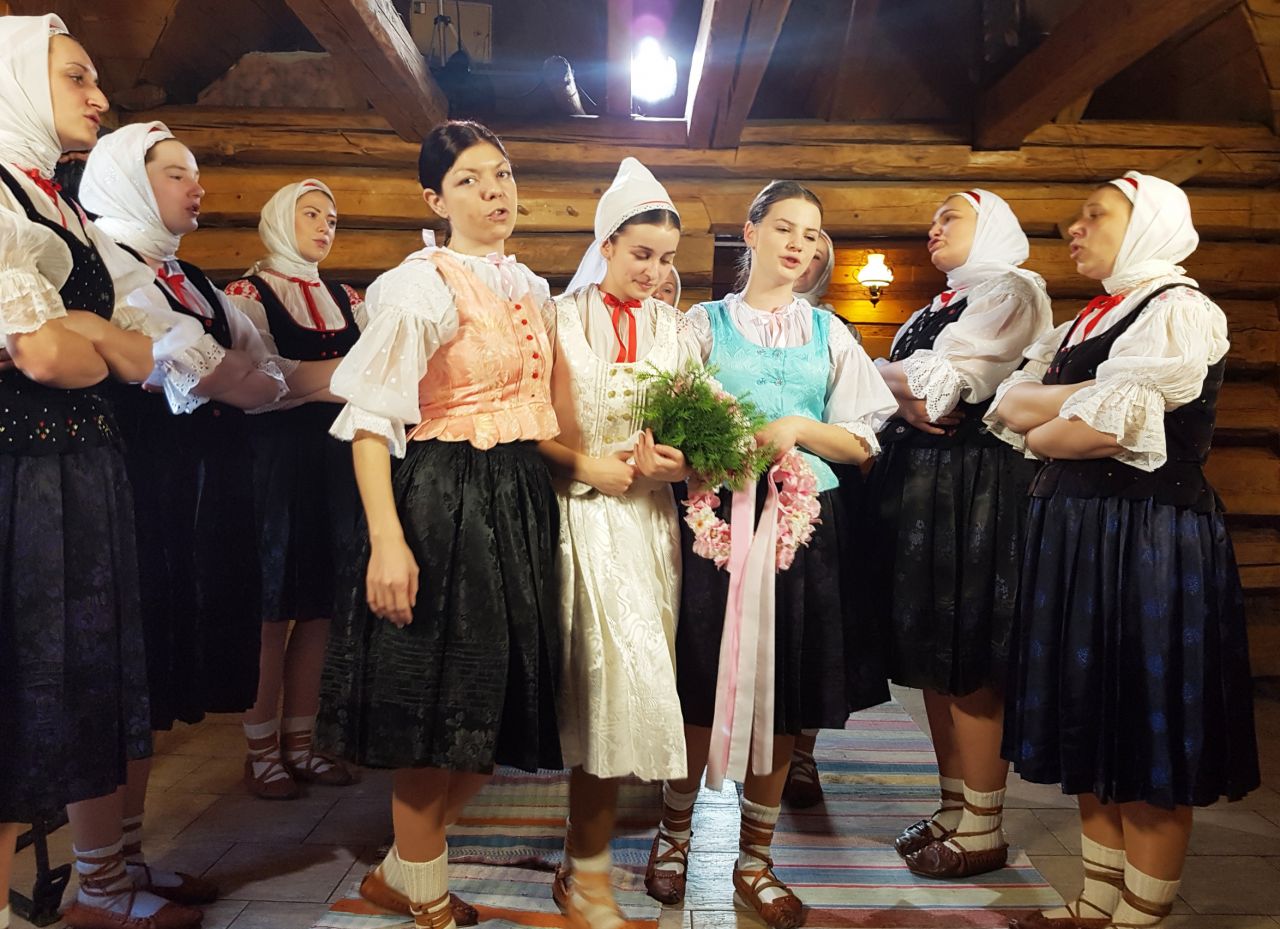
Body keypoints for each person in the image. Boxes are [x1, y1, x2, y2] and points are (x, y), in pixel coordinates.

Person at [0, 16, 230, 929]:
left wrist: (90, 335)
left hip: (82, 467)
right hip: (20, 471)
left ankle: (101, 880)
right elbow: (45, 354)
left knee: (85, 686)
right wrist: (93, 339)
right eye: (76, 77)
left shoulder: (57, 210)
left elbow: (138, 357)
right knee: (21, 708)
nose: (98, 96)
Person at [987, 172, 1259, 929]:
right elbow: (1012, 404)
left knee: (1143, 726)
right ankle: (1095, 902)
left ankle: (1139, 915)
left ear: (1147, 225)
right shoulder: (1089, 320)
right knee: (1091, 712)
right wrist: (1062, 416)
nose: (1074, 228)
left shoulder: (1179, 309)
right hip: (1078, 535)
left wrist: (1051, 421)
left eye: (1095, 214)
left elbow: (1091, 432)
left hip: (1147, 539)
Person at [316, 120, 562, 929]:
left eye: (502, 174)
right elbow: (369, 422)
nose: (494, 191)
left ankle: (400, 870)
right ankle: (424, 894)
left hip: (516, 495)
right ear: (435, 199)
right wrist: (387, 541)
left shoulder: (530, 287)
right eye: (469, 180)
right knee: (435, 709)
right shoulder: (419, 285)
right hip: (441, 501)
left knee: (489, 714)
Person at [645, 181, 897, 929]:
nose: (799, 244)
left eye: (811, 234)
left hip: (805, 530)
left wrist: (796, 427)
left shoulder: (830, 333)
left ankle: (754, 859)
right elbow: (664, 417)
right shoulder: (702, 326)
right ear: (750, 232)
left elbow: (862, 442)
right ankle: (673, 834)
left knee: (784, 690)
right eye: (784, 227)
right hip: (717, 528)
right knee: (701, 676)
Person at [78, 119, 291, 906]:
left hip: (187, 491)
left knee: (153, 685)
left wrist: (247, 375)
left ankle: (128, 859)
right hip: (130, 487)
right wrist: (246, 376)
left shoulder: (190, 278)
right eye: (176, 173)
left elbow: (263, 373)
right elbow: (217, 374)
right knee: (122, 680)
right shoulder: (105, 264)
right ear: (129, 182)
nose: (195, 187)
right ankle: (98, 878)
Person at [862, 189, 1052, 878]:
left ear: (992, 226)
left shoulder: (1011, 291)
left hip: (976, 487)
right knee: (931, 658)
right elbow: (895, 391)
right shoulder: (938, 306)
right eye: (934, 219)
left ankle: (983, 822)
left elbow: (942, 389)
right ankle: (952, 804)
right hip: (924, 486)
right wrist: (894, 387)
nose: (934, 228)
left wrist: (883, 380)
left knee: (967, 655)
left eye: (952, 217)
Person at [540, 157, 698, 929]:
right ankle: (590, 877)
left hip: (648, 527)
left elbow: (703, 435)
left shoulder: (677, 330)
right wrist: (583, 464)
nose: (655, 272)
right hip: (573, 519)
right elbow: (523, 426)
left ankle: (586, 865)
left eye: (666, 259)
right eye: (641, 253)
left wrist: (680, 462)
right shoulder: (556, 319)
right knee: (592, 689)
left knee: (631, 689)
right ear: (605, 243)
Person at [224, 179, 365, 801]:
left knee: (320, 607)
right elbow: (259, 383)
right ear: (281, 219)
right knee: (270, 606)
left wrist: (309, 383)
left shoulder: (347, 298)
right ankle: (260, 751)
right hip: (272, 463)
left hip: (335, 461)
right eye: (311, 214)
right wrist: (338, 379)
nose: (324, 225)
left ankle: (301, 744)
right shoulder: (247, 296)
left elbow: (370, 376)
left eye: (331, 218)